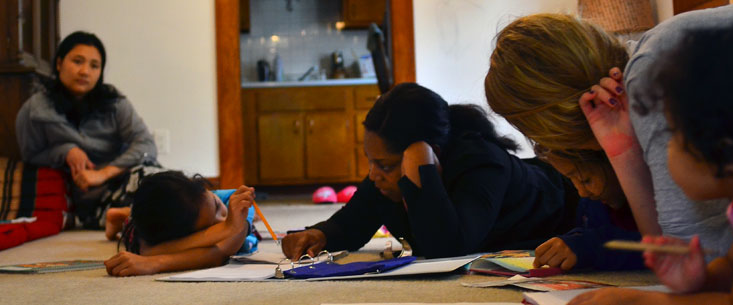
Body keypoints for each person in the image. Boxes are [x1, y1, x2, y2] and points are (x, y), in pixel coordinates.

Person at [484, 12, 733, 261]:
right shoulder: (644, 67)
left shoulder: (649, 78)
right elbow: (670, 256)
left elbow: (693, 259)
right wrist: (622, 152)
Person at [569, 19, 733, 305]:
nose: (665, 152)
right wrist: (699, 279)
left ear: (727, 154)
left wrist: (641, 302)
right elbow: (732, 270)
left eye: (676, 138)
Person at [281, 83, 577, 260]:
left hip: (569, 198)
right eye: (371, 161)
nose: (373, 175)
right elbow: (353, 221)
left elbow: (448, 247)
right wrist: (319, 234)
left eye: (384, 165)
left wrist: (422, 170)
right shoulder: (388, 177)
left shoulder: (483, 163)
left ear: (426, 150)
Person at [15, 31, 158, 230]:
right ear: (59, 64)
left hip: (127, 175)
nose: (85, 71)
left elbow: (146, 145)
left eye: (94, 66)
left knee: (159, 183)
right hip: (91, 197)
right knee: (156, 202)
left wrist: (104, 173)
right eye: (77, 61)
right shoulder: (35, 110)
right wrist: (65, 151)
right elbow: (31, 156)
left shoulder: (115, 102)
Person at [105, 171, 259, 276]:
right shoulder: (152, 234)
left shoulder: (234, 199)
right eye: (208, 227)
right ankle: (121, 217)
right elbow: (147, 249)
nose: (223, 219)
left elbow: (220, 254)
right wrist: (228, 228)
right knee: (134, 229)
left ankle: (124, 212)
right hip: (144, 225)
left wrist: (153, 263)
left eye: (217, 206)